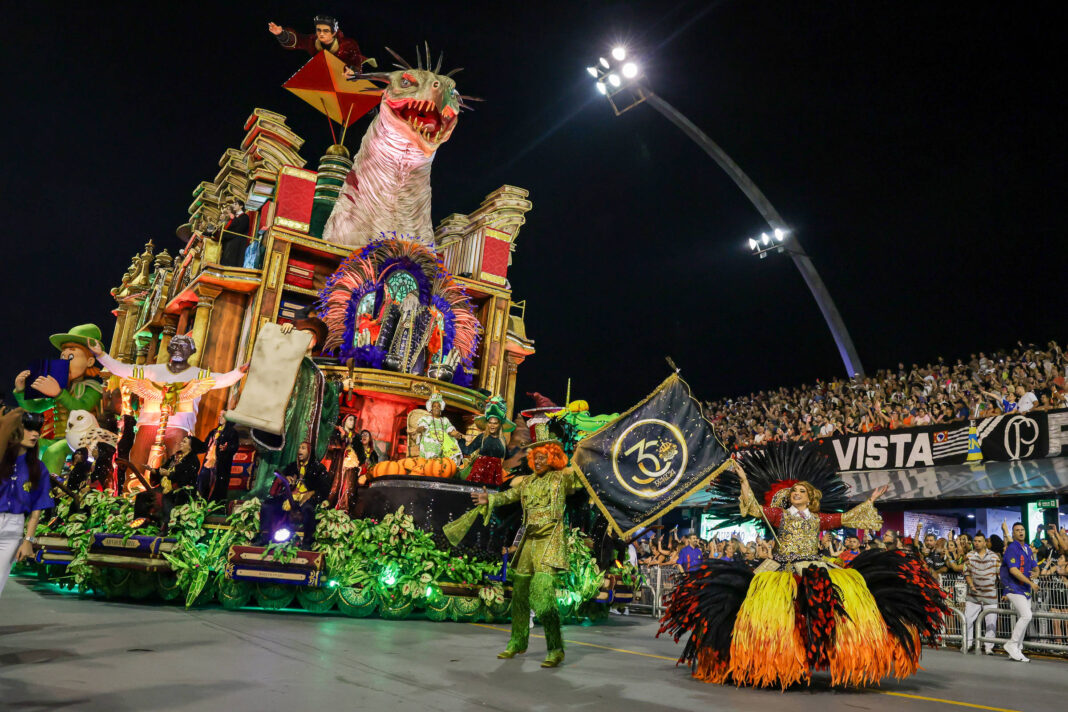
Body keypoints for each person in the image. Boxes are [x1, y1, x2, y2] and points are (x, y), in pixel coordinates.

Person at [659, 442, 947, 688]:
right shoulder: (778, 516)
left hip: (813, 565)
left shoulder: (819, 519)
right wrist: (744, 479)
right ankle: (772, 658)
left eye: (800, 491)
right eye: (793, 491)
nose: (795, 493)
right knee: (767, 608)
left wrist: (871, 499)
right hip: (779, 567)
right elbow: (753, 507)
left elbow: (848, 519)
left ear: (810, 497)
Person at [444, 440, 584, 668]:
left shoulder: (562, 478)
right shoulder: (526, 482)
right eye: (535, 457)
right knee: (519, 590)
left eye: (543, 457)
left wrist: (581, 450)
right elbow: (507, 497)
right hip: (529, 539)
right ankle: (518, 641)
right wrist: (489, 499)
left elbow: (581, 473)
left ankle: (556, 648)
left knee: (542, 592)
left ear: (553, 458)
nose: (538, 461)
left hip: (550, 540)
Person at [87, 335, 246, 469]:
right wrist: (101, 355)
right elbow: (122, 369)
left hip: (179, 426)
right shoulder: (152, 370)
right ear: (169, 350)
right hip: (149, 424)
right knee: (138, 460)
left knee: (176, 464)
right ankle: (132, 496)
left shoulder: (199, 374)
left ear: (191, 351)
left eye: (183, 346)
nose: (178, 349)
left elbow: (223, 380)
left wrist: (240, 371)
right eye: (175, 346)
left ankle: (168, 499)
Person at [248, 318, 339, 498]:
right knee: (274, 451)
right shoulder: (285, 358)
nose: (305, 340)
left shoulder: (315, 371)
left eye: (310, 337)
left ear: (314, 343)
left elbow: (325, 394)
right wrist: (283, 335)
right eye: (302, 335)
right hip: (282, 417)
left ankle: (290, 492)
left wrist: (339, 387)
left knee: (296, 455)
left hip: (301, 425)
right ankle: (265, 490)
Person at [13, 324, 105, 473]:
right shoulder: (62, 387)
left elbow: (82, 407)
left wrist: (58, 393)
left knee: (53, 452)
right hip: (60, 439)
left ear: (89, 362)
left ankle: (50, 492)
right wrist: (20, 390)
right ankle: (20, 485)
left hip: (84, 442)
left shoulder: (92, 387)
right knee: (24, 445)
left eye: (71, 356)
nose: (65, 361)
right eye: (63, 356)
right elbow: (35, 407)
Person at [1, 410, 55, 598]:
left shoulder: (38, 468)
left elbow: (37, 509)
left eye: (37, 431)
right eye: (29, 429)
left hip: (13, 529)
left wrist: (28, 541)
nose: (35, 434)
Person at [259, 441, 332, 548]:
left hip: (306, 499)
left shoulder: (318, 468)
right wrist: (285, 479)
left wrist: (311, 493)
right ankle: (265, 537)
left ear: (309, 452)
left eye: (303, 448)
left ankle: (307, 542)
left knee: (308, 509)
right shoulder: (292, 466)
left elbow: (324, 488)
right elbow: (279, 480)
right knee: (267, 505)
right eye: (299, 448)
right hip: (290, 497)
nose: (299, 451)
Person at [1000, 521, 1039, 662]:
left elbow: (1035, 565)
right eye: (1017, 530)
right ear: (1013, 533)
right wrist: (1031, 582)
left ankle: (1017, 649)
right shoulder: (1012, 548)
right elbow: (1013, 570)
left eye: (1022, 529)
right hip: (1013, 588)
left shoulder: (1027, 548)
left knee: (1024, 617)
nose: (1021, 532)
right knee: (1027, 615)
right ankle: (1011, 644)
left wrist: (1037, 572)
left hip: (1025, 589)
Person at [267, 14, 366, 67]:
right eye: (319, 30)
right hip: (324, 76)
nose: (321, 34)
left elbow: (356, 61)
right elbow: (297, 41)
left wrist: (353, 72)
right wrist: (281, 34)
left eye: (326, 31)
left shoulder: (348, 44)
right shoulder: (312, 40)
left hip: (346, 77)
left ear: (334, 33)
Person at [460, 397, 516, 487]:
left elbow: (507, 456)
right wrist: (461, 439)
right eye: (490, 422)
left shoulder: (502, 440)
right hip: (479, 473)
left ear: (499, 425)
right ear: (487, 424)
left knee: (490, 496)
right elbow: (467, 451)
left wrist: (519, 450)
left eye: (495, 423)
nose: (492, 425)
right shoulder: (482, 437)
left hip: (495, 473)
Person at [963, 532, 1000, 654]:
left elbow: (999, 574)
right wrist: (971, 585)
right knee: (968, 620)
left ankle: (989, 647)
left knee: (991, 622)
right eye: (975, 541)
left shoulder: (994, 556)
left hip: (990, 595)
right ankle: (968, 644)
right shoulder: (969, 556)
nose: (976, 543)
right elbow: (966, 573)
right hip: (973, 595)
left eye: (979, 541)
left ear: (985, 543)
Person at [326, 414, 364, 511]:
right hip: (339, 463)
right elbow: (332, 447)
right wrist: (342, 438)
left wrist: (360, 465)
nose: (352, 422)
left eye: (353, 420)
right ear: (345, 421)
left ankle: (345, 509)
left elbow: (361, 453)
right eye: (350, 420)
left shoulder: (357, 437)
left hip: (351, 466)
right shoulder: (338, 433)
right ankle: (331, 507)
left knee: (348, 488)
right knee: (335, 485)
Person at [201, 410, 240, 503]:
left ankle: (215, 506)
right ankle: (202, 502)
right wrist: (192, 440)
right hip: (208, 462)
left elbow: (235, 447)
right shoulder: (214, 431)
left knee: (218, 485)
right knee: (203, 481)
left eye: (222, 416)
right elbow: (204, 446)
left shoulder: (232, 432)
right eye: (219, 416)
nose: (220, 418)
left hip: (221, 464)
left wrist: (226, 448)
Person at [415, 393, 462, 462]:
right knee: (431, 442)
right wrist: (420, 429)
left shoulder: (445, 420)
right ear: (431, 408)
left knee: (450, 443)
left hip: (443, 438)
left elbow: (450, 430)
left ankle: (448, 463)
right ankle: (431, 461)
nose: (437, 408)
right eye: (434, 406)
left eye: (438, 406)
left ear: (441, 408)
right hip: (431, 437)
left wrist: (455, 434)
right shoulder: (427, 418)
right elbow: (421, 426)